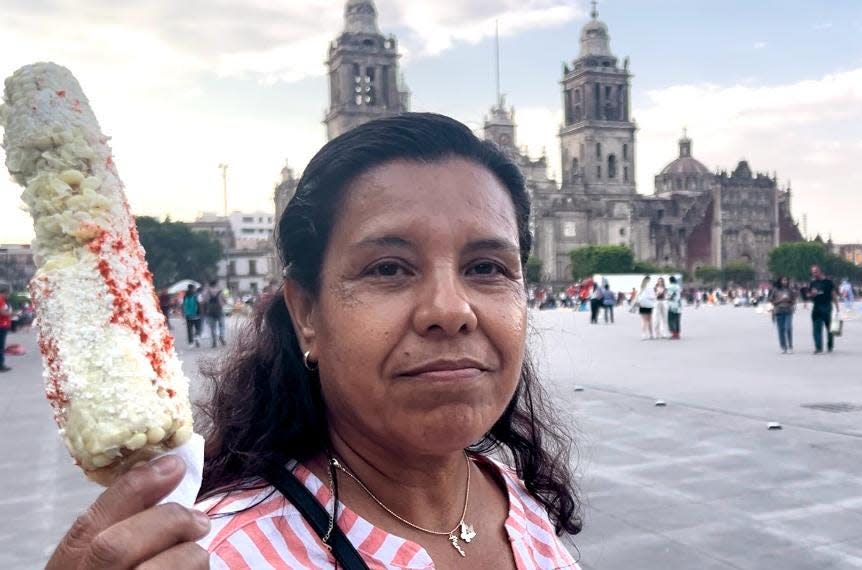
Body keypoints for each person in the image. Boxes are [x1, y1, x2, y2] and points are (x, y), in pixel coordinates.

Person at [47, 113, 581, 569]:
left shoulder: (517, 497)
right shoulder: (227, 555)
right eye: (389, 268)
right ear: (306, 312)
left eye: (487, 267)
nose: (451, 310)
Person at [806, 265, 839, 354]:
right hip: (816, 307)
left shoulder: (828, 282)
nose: (814, 274)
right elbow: (809, 295)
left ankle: (830, 346)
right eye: (813, 272)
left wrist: (837, 307)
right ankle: (818, 348)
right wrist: (811, 295)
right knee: (816, 328)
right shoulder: (812, 283)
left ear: (820, 271)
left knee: (829, 328)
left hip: (826, 306)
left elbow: (833, 294)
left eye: (815, 271)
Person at [769, 276, 796, 354]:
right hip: (779, 311)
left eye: (786, 280)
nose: (785, 282)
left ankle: (790, 346)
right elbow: (771, 301)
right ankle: (783, 347)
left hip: (788, 311)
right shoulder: (775, 290)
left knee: (788, 328)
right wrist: (780, 300)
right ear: (780, 281)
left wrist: (789, 300)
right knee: (781, 330)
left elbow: (794, 301)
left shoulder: (790, 290)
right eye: (783, 280)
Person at [202, 280, 226, 348]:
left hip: (210, 311)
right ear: (216, 284)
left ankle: (214, 341)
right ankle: (221, 336)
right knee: (222, 325)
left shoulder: (206, 292)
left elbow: (204, 301)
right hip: (219, 310)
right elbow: (224, 300)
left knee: (213, 328)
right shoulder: (220, 291)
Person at [182, 283, 202, 348]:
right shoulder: (196, 295)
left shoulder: (185, 296)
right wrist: (201, 312)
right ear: (193, 288)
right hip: (196, 315)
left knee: (189, 329)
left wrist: (184, 313)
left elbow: (183, 305)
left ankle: (190, 343)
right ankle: (197, 336)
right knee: (198, 328)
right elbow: (200, 304)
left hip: (188, 315)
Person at [0, 284, 12, 372]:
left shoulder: (3, 300)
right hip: (1, 325)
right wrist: (14, 314)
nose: (9, 295)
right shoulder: (0, 300)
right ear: (5, 292)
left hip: (4, 325)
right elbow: (2, 313)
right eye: (8, 293)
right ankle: (1, 365)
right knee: (1, 346)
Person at [666, 275, 682, 340]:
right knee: (677, 320)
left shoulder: (669, 287)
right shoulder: (678, 287)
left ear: (670, 281)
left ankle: (674, 334)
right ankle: (677, 334)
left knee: (671, 320)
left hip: (672, 305)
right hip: (678, 305)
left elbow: (669, 296)